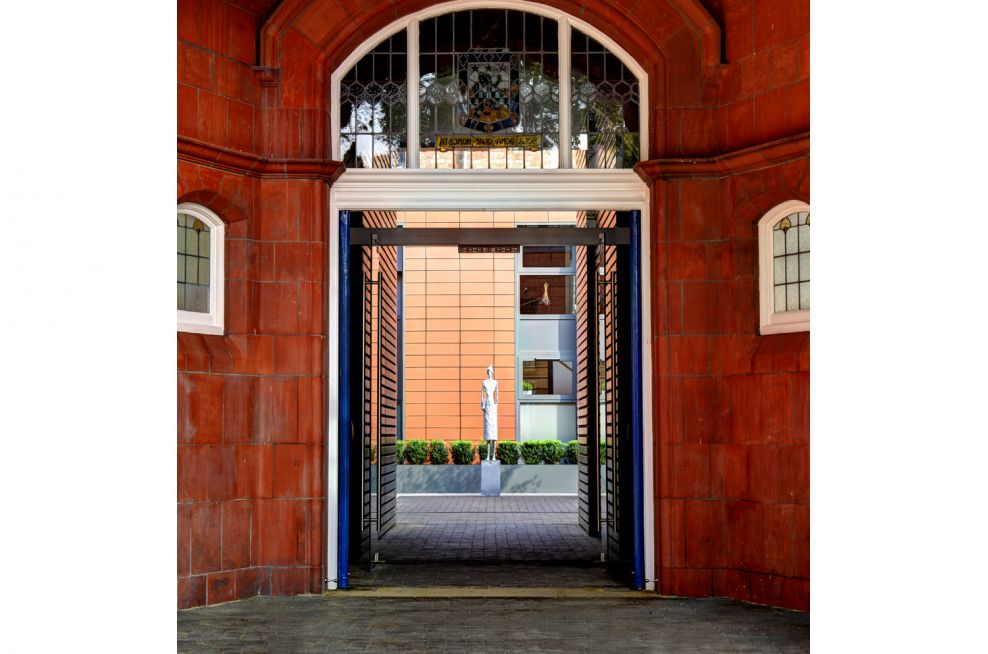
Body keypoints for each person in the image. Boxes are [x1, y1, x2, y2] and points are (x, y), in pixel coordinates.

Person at [480, 365, 499, 460]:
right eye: (488, 371)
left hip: (493, 406)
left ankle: (494, 455)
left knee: (494, 432)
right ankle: (488, 455)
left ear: (492, 372)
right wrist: (482, 405)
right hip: (487, 404)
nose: (489, 373)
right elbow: (481, 395)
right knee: (488, 432)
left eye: (490, 371)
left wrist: (496, 404)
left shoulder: (495, 382)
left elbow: (497, 395)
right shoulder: (484, 382)